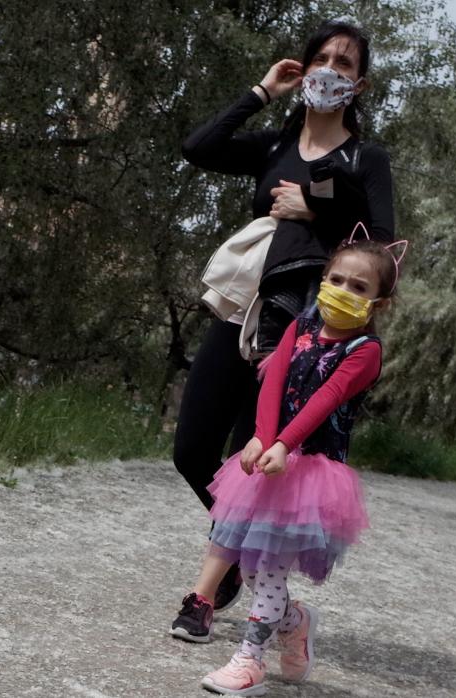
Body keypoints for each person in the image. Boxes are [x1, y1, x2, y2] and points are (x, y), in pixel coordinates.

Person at [173, 18, 395, 629]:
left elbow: (383, 244)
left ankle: (205, 595)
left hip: (306, 329)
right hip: (245, 313)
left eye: (343, 64)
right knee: (192, 450)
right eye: (321, 58)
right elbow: (198, 149)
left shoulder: (364, 158)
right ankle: (244, 557)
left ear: (360, 83)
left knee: (254, 453)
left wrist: (319, 207)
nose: (330, 70)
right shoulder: (275, 146)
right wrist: (261, 92)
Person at [181, 235, 406, 696]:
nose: (343, 290)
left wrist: (285, 442)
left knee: (270, 567)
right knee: (248, 562)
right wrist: (264, 435)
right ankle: (295, 620)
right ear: (322, 281)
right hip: (269, 457)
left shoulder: (365, 350)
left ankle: (249, 660)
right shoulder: (303, 322)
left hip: (311, 471)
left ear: (379, 302)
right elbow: (274, 375)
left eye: (358, 287)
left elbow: (326, 398)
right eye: (336, 279)